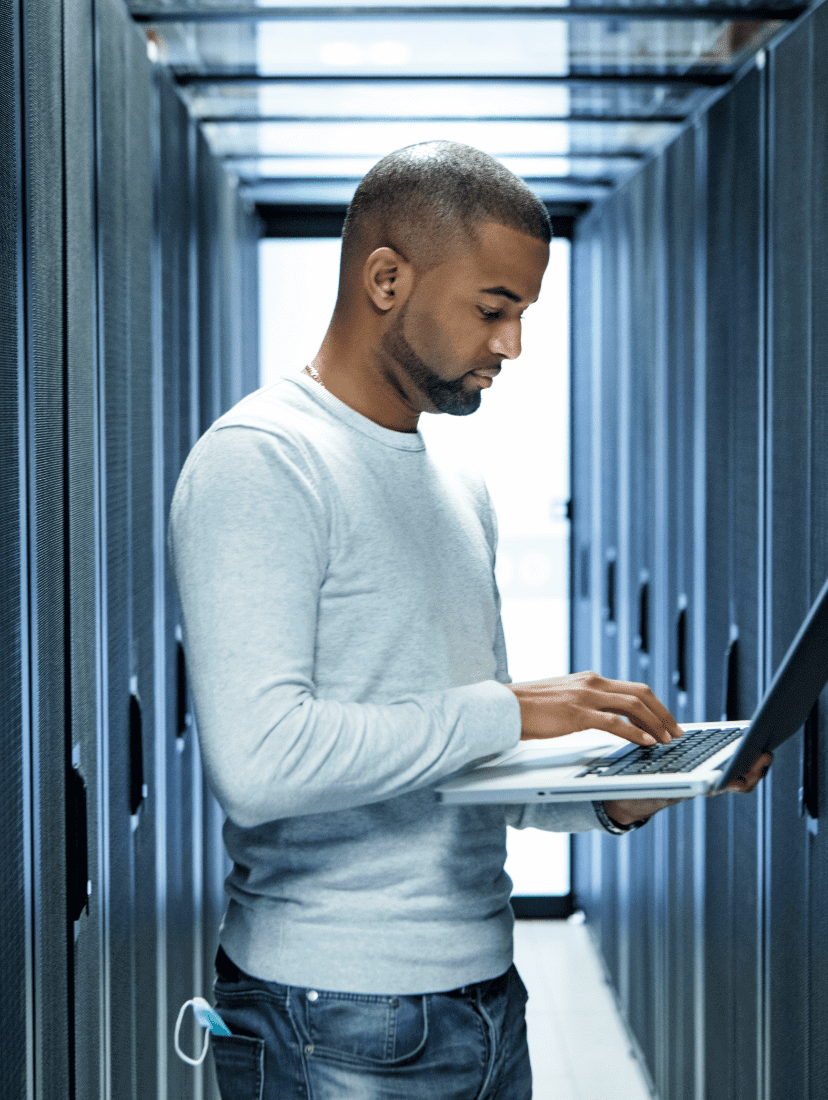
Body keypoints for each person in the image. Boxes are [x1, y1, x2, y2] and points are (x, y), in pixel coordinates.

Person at [168, 141, 770, 1100]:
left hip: (485, 1000)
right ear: (385, 278)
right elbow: (259, 764)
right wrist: (511, 707)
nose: (512, 345)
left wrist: (616, 797)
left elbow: (462, 768)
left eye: (523, 312)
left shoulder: (455, 481)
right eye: (494, 308)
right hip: (330, 1014)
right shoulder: (261, 463)